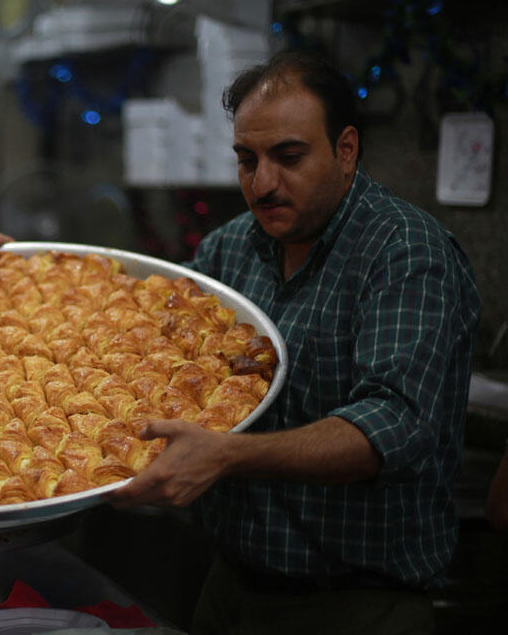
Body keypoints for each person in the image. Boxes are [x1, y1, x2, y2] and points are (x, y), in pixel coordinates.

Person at [98, 50, 482, 634]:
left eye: (289, 157)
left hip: (354, 606)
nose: (263, 183)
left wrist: (227, 455)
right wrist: (25, 275)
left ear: (346, 149)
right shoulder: (232, 247)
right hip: (229, 588)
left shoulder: (406, 253)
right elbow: (144, 324)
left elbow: (391, 425)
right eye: (246, 160)